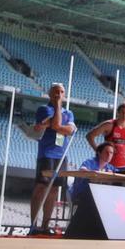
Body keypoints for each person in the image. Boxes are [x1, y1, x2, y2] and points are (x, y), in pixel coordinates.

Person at [30, 83, 76, 235]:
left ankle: (45, 226)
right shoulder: (44, 109)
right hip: (47, 154)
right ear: (50, 94)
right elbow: (57, 124)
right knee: (41, 187)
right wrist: (56, 111)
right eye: (56, 92)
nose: (59, 94)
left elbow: (67, 130)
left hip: (61, 155)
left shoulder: (69, 113)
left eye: (61, 92)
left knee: (54, 190)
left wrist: (54, 125)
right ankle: (33, 225)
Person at [86, 102, 125, 174]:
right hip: (108, 165)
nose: (124, 115)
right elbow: (89, 136)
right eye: (122, 112)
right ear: (118, 112)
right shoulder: (109, 124)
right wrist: (98, 150)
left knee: (120, 185)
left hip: (123, 166)